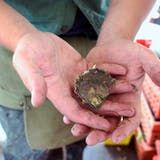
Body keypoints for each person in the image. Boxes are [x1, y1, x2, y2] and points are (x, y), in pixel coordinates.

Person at [0, 0, 159, 159]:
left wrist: (117, 36)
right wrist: (21, 36)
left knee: (83, 133)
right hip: (17, 55)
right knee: (26, 150)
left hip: (99, 43)